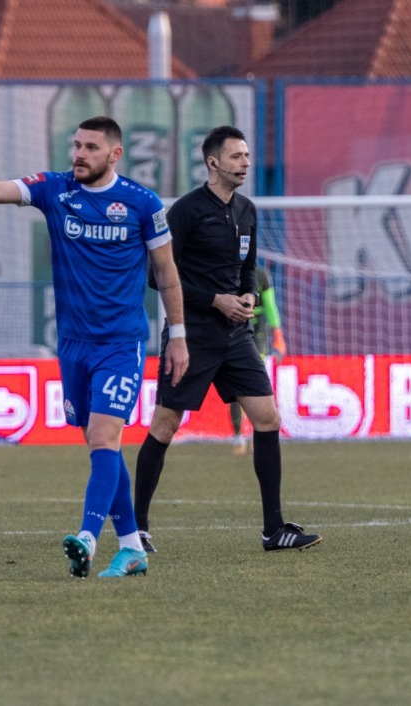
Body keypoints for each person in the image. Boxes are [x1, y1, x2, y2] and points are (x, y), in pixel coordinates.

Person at [0, 116, 189, 579]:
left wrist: (177, 336)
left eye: (91, 147)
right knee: (101, 446)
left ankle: (87, 539)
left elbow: (168, 273)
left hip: (121, 343)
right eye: (77, 145)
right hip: (74, 344)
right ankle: (132, 547)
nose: (79, 153)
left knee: (104, 437)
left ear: (115, 154)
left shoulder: (142, 203)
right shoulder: (56, 190)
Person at [133, 126, 321, 554]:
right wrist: (215, 300)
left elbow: (248, 269)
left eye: (248, 155)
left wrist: (249, 296)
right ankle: (136, 528)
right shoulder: (186, 211)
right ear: (213, 163)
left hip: (236, 335)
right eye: (237, 156)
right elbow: (156, 276)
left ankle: (273, 530)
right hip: (191, 334)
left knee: (268, 418)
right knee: (165, 425)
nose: (246, 163)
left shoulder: (247, 211)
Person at [230, 265, 286, 455]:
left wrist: (278, 336)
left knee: (255, 380)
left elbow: (270, 306)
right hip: (234, 329)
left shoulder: (261, 275)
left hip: (257, 331)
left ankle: (257, 433)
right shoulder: (228, 272)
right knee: (236, 384)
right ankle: (238, 435)